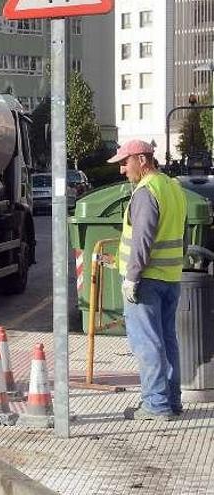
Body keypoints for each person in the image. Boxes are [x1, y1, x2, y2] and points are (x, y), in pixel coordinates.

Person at [109, 139, 187, 422]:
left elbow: (143, 238)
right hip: (170, 278)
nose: (121, 170)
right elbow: (183, 234)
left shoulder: (146, 192)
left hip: (146, 281)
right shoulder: (173, 188)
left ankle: (155, 404)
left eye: (124, 162)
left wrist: (131, 278)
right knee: (168, 340)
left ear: (142, 160)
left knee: (148, 342)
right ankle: (172, 401)